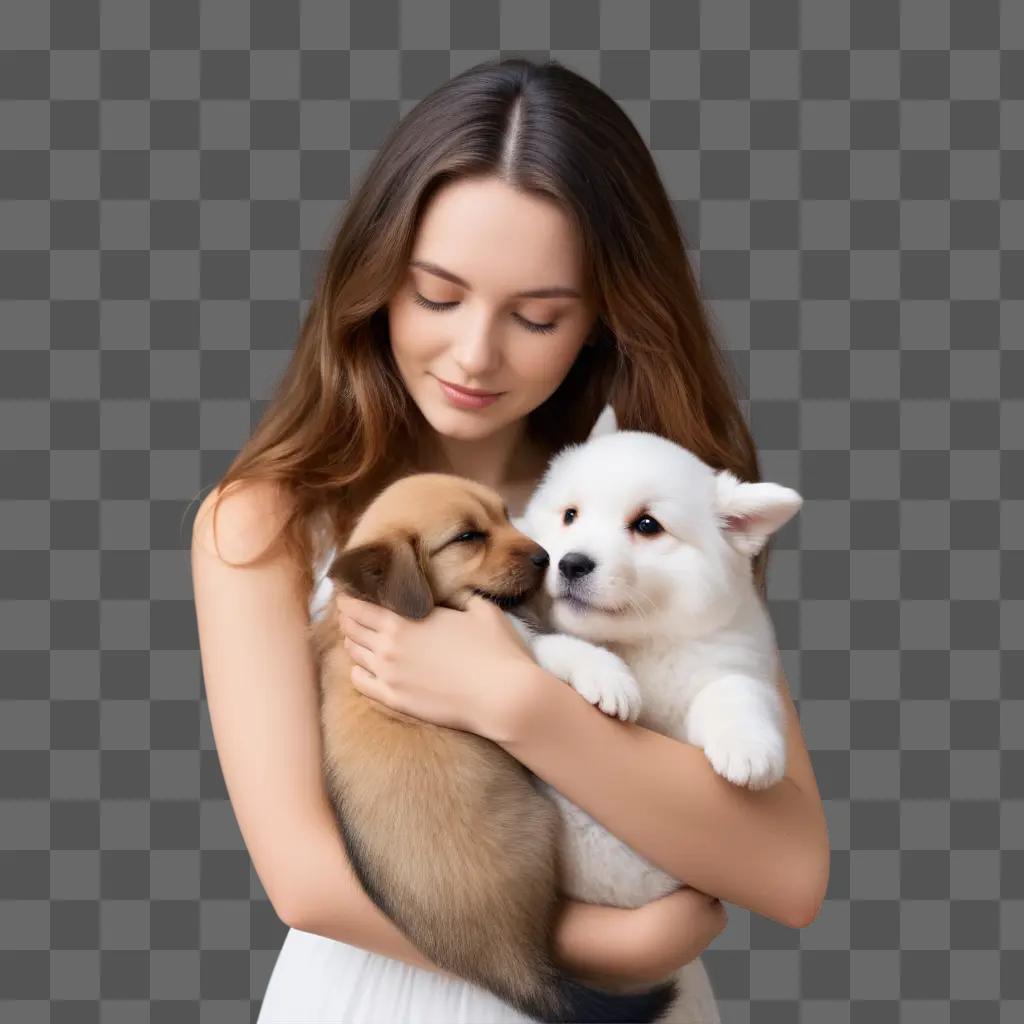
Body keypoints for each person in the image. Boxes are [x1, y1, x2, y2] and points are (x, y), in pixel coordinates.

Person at [190, 57, 830, 1024]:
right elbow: (307, 882)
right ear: (373, 278)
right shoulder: (268, 521)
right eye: (438, 295)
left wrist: (520, 704)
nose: (475, 354)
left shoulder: (629, 516)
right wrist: (612, 945)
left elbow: (787, 866)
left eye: (538, 316)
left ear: (603, 319)